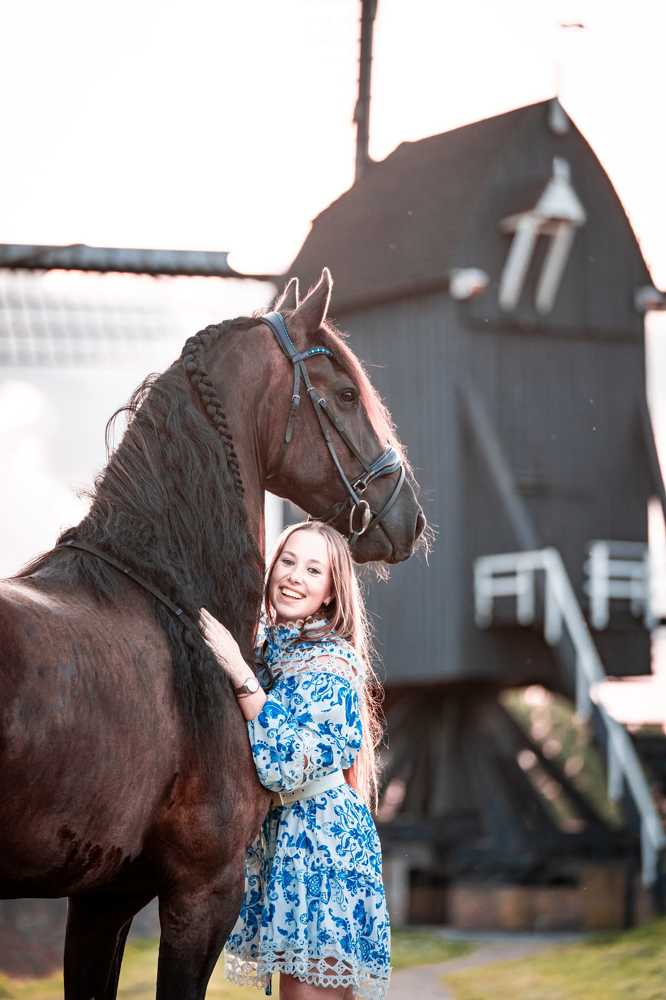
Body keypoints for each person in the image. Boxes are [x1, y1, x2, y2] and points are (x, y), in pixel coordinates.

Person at [199, 520, 391, 1000]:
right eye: (287, 561)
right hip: (290, 839)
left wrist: (240, 674)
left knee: (307, 995)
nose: (294, 576)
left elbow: (286, 763)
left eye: (313, 569)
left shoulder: (329, 664)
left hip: (322, 846)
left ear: (329, 592)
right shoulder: (276, 650)